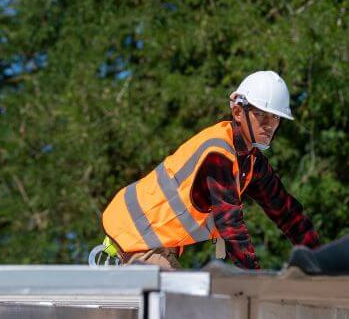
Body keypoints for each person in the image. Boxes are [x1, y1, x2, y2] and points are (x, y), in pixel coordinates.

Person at [99, 70, 320, 270]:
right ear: (237, 112)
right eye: (261, 115)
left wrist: (320, 260)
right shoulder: (217, 152)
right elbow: (230, 222)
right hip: (135, 237)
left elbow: (287, 212)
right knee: (179, 303)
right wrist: (255, 279)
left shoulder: (251, 162)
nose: (269, 125)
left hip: (152, 242)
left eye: (275, 117)